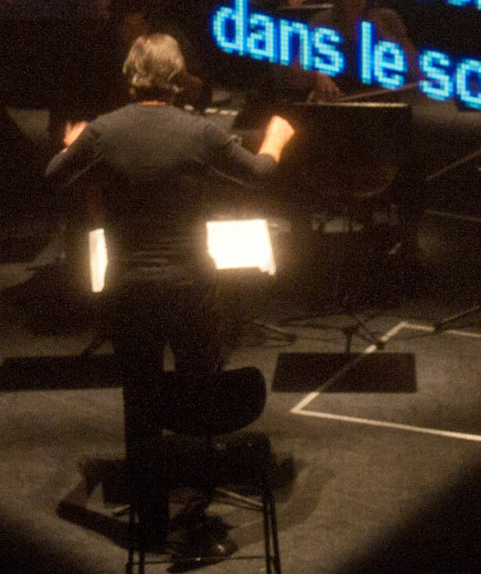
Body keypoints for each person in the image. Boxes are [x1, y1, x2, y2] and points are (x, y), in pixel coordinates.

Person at [45, 35, 296, 558]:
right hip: (190, 289)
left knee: (140, 400)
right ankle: (197, 507)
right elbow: (259, 175)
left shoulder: (103, 130)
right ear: (179, 79)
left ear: (130, 76)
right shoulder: (198, 131)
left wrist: (71, 144)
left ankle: (153, 523)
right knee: (197, 394)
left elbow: (53, 178)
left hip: (130, 289)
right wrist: (275, 139)